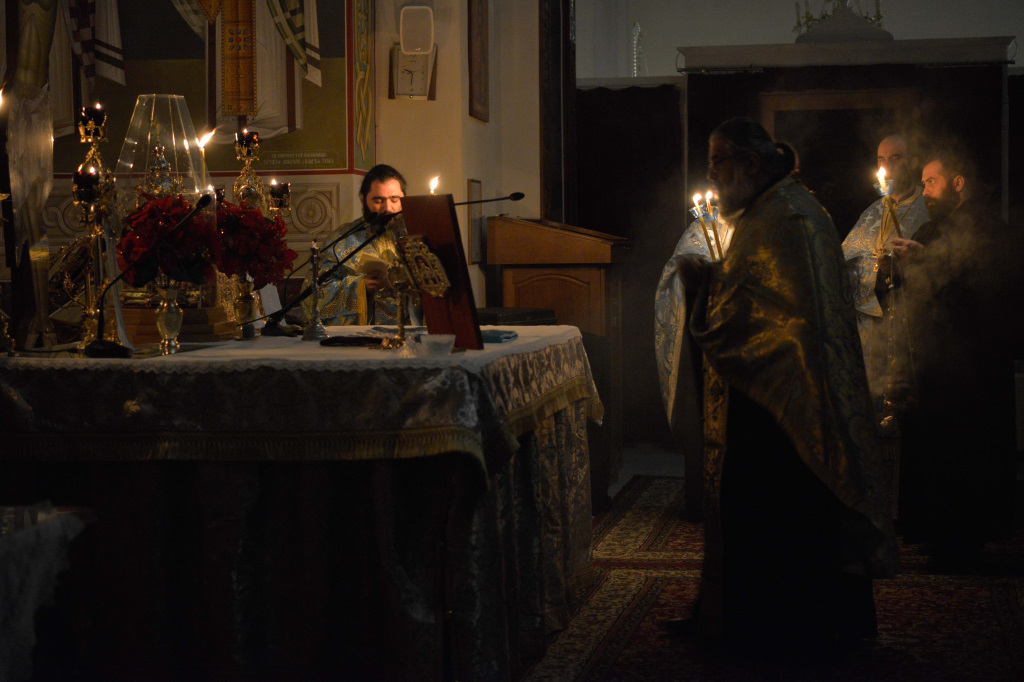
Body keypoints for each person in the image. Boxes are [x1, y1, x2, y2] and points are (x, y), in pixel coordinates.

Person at [664, 117, 897, 655]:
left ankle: (777, 629)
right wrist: (714, 282)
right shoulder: (773, 209)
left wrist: (705, 289)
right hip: (772, 394)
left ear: (749, 163)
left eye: (717, 162)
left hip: (789, 406)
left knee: (781, 513)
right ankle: (750, 619)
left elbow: (767, 314)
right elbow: (758, 296)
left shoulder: (789, 217)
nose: (712, 175)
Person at [884, 147, 1022, 563]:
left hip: (971, 365)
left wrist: (925, 261)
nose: (925, 190)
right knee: (934, 448)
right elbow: (914, 289)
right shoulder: (930, 229)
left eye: (932, 181)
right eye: (924, 182)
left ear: (958, 182)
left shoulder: (989, 229)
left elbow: (990, 289)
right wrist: (893, 268)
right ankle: (935, 528)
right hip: (934, 360)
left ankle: (964, 536)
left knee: (966, 449)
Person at [841, 134, 930, 399]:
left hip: (907, 328)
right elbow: (844, 264)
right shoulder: (871, 212)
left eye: (895, 158)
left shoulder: (928, 208)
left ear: (912, 161)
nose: (887, 165)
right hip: (867, 332)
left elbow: (935, 266)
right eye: (881, 159)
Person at [302, 164, 418, 325]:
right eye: (378, 200)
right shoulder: (341, 240)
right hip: (360, 336)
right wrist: (361, 287)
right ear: (363, 199)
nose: (388, 208)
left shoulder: (418, 236)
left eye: (395, 199)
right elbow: (312, 296)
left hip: (410, 333)